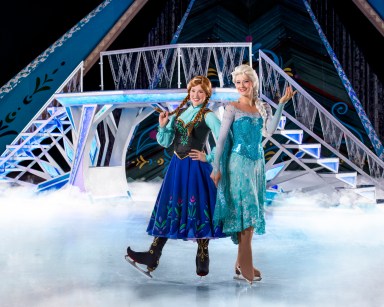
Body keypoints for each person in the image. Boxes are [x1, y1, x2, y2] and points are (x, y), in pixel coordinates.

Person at [126, 75, 225, 278]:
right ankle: (153, 255)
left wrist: (209, 156)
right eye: (193, 91)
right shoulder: (179, 113)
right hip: (177, 168)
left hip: (196, 167)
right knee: (168, 207)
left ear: (207, 95)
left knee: (198, 208)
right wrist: (163, 125)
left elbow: (225, 139)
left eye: (201, 92)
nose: (196, 95)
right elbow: (165, 142)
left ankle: (203, 256)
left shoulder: (208, 115)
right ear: (188, 92)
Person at [210, 64, 296, 284]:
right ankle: (246, 265)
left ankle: (241, 265)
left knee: (252, 209)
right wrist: (216, 168)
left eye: (245, 82)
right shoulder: (232, 108)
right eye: (237, 82)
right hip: (237, 164)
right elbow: (220, 140)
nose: (241, 86)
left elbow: (270, 131)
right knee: (244, 212)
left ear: (253, 83)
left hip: (257, 165)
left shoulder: (261, 107)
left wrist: (281, 106)